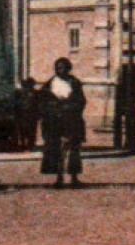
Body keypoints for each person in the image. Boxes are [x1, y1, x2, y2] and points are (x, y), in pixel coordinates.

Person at [39, 56, 87, 188]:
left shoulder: (75, 83)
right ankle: (59, 178)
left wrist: (70, 109)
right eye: (58, 68)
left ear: (68, 69)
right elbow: (42, 102)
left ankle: (74, 177)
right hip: (54, 122)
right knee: (56, 151)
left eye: (63, 68)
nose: (60, 70)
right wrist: (50, 111)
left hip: (71, 121)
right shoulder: (49, 84)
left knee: (73, 150)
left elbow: (81, 101)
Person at [13, 76, 40, 151]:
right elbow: (15, 104)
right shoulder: (19, 93)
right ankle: (24, 145)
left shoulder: (35, 93)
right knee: (23, 131)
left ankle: (29, 145)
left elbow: (38, 104)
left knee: (30, 131)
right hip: (23, 114)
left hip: (30, 115)